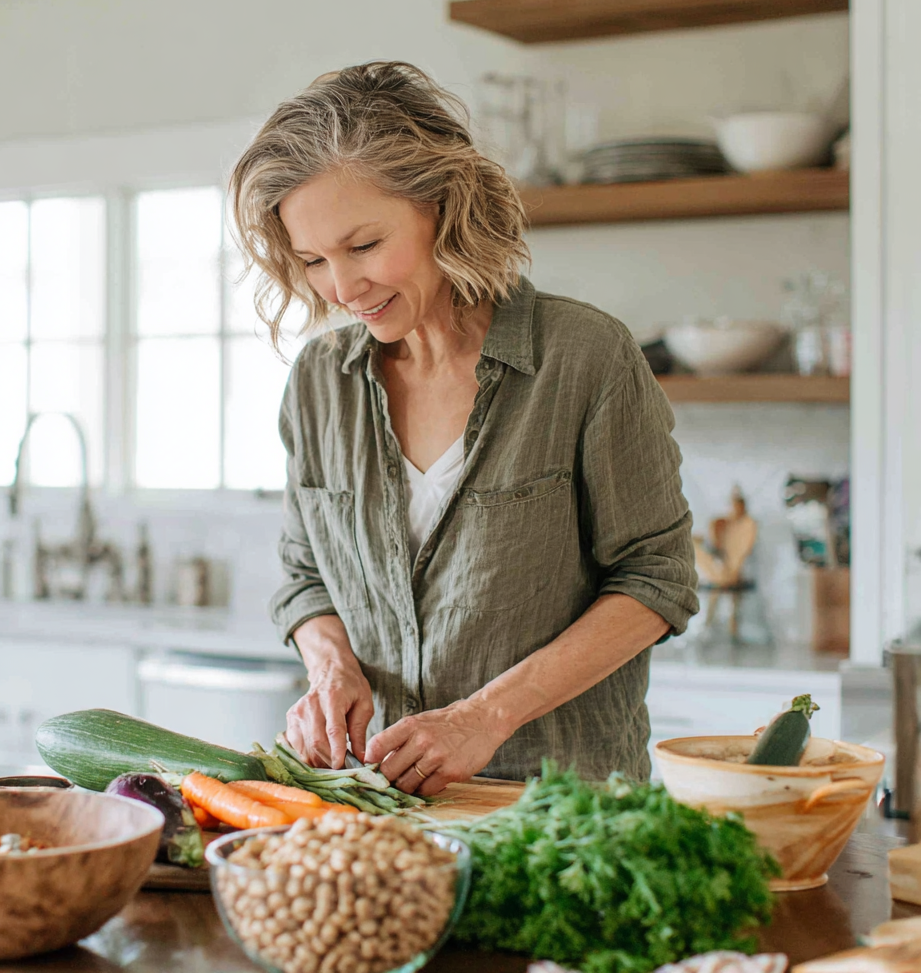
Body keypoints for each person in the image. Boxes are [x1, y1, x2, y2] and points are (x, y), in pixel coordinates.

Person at [229, 61, 698, 796]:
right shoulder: (321, 382)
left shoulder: (583, 358)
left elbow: (656, 580)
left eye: (364, 246)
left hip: (559, 815)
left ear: (441, 207)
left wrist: (485, 715)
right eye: (314, 260)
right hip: (383, 808)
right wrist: (331, 668)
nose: (342, 289)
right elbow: (304, 577)